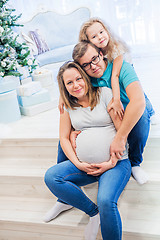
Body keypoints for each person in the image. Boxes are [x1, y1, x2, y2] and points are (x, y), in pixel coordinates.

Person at [44, 61, 131, 240]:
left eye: (78, 79)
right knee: (52, 177)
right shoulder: (68, 106)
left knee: (106, 201)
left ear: (85, 77)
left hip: (116, 163)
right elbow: (64, 138)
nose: (75, 85)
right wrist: (78, 164)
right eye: (69, 83)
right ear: (64, 87)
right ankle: (93, 213)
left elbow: (122, 132)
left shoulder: (105, 94)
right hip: (86, 167)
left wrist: (111, 162)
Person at [72, 41, 154, 185]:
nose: (93, 66)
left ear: (101, 54)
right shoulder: (87, 80)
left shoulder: (122, 68)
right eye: (86, 65)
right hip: (114, 114)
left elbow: (138, 102)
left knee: (139, 115)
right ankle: (64, 187)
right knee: (63, 139)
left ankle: (135, 163)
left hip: (133, 105)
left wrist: (120, 138)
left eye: (94, 59)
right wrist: (73, 129)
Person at [79, 17, 131, 119]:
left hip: (122, 69)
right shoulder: (92, 53)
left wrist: (116, 100)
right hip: (111, 73)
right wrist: (63, 97)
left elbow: (115, 75)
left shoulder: (116, 48)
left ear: (107, 31)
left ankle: (150, 111)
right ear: (87, 42)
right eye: (94, 36)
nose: (100, 37)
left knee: (130, 88)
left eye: (101, 32)